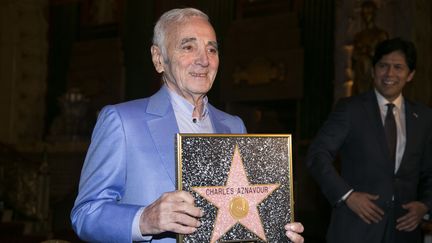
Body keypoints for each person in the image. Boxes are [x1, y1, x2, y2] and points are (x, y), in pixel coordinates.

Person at [71, 8, 304, 243]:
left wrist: (274, 232)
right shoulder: (122, 122)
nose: (204, 60)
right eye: (188, 47)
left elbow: (238, 218)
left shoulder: (234, 126)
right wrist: (144, 220)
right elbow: (85, 215)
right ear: (159, 58)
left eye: (211, 49)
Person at [306, 37, 432, 243]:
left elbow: (430, 171)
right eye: (383, 66)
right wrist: (347, 196)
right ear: (373, 71)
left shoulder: (425, 117)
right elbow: (317, 155)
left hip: (404, 232)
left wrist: (425, 206)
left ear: (410, 75)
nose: (389, 74)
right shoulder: (350, 109)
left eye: (398, 67)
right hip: (355, 228)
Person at [351, 0, 388, 95]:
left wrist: (370, 52)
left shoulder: (380, 35)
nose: (367, 16)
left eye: (369, 13)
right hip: (361, 71)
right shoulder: (358, 36)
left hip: (375, 71)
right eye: (364, 13)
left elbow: (385, 56)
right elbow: (354, 57)